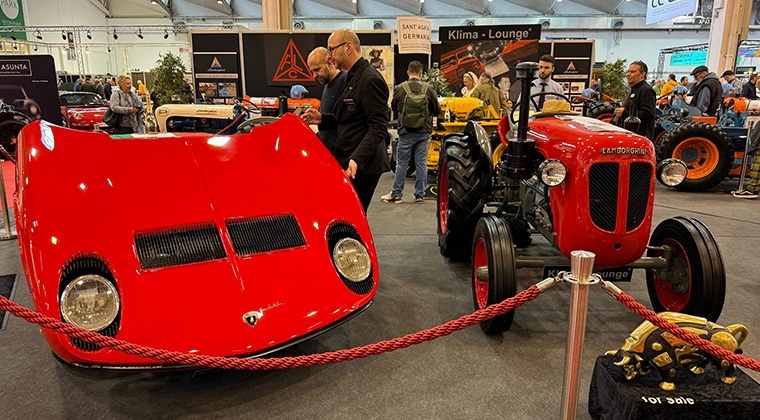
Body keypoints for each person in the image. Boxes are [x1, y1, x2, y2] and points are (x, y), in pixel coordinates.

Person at [301, 28, 390, 212]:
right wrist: (322, 119)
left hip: (362, 167)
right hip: (351, 161)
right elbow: (349, 118)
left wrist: (356, 159)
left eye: (331, 49)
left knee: (351, 218)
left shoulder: (370, 79)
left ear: (348, 47)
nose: (329, 56)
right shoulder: (352, 76)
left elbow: (378, 127)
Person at [382, 60, 441, 204]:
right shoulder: (428, 88)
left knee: (402, 163)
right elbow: (437, 110)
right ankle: (420, 194)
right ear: (421, 73)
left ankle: (397, 194)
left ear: (408, 73)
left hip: (406, 131)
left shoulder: (400, 88)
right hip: (424, 132)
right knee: (421, 162)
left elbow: (394, 108)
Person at [307, 46, 347, 154]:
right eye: (312, 71)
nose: (314, 76)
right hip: (329, 154)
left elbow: (347, 120)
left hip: (341, 156)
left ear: (329, 63)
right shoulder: (327, 83)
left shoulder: (345, 83)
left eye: (316, 70)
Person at [613, 60, 656, 140]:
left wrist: (625, 113)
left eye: (632, 72)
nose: (628, 74)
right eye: (628, 72)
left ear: (642, 74)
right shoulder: (634, 89)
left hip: (638, 138)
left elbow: (648, 113)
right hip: (629, 136)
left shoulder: (646, 90)